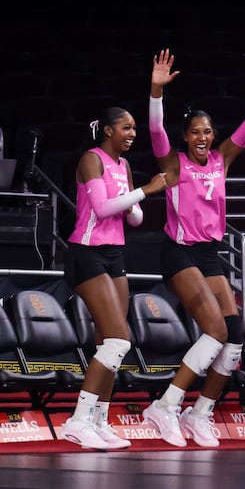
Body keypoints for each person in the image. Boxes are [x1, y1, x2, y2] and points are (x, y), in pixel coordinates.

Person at [142, 43, 245, 447]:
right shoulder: (173, 163)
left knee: (234, 333)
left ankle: (200, 412)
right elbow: (156, 131)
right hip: (179, 252)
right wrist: (156, 91)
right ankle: (165, 404)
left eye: (207, 132)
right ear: (186, 136)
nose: (202, 138)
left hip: (210, 253)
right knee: (213, 330)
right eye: (195, 132)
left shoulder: (220, 160)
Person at [61, 108, 167, 450]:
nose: (132, 133)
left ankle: (99, 421)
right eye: (126, 127)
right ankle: (78, 420)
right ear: (108, 130)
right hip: (87, 252)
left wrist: (133, 204)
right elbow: (103, 209)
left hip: (115, 253)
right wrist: (146, 192)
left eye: (135, 128)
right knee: (119, 340)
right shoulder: (91, 159)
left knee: (111, 341)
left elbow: (133, 218)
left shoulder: (123, 166)